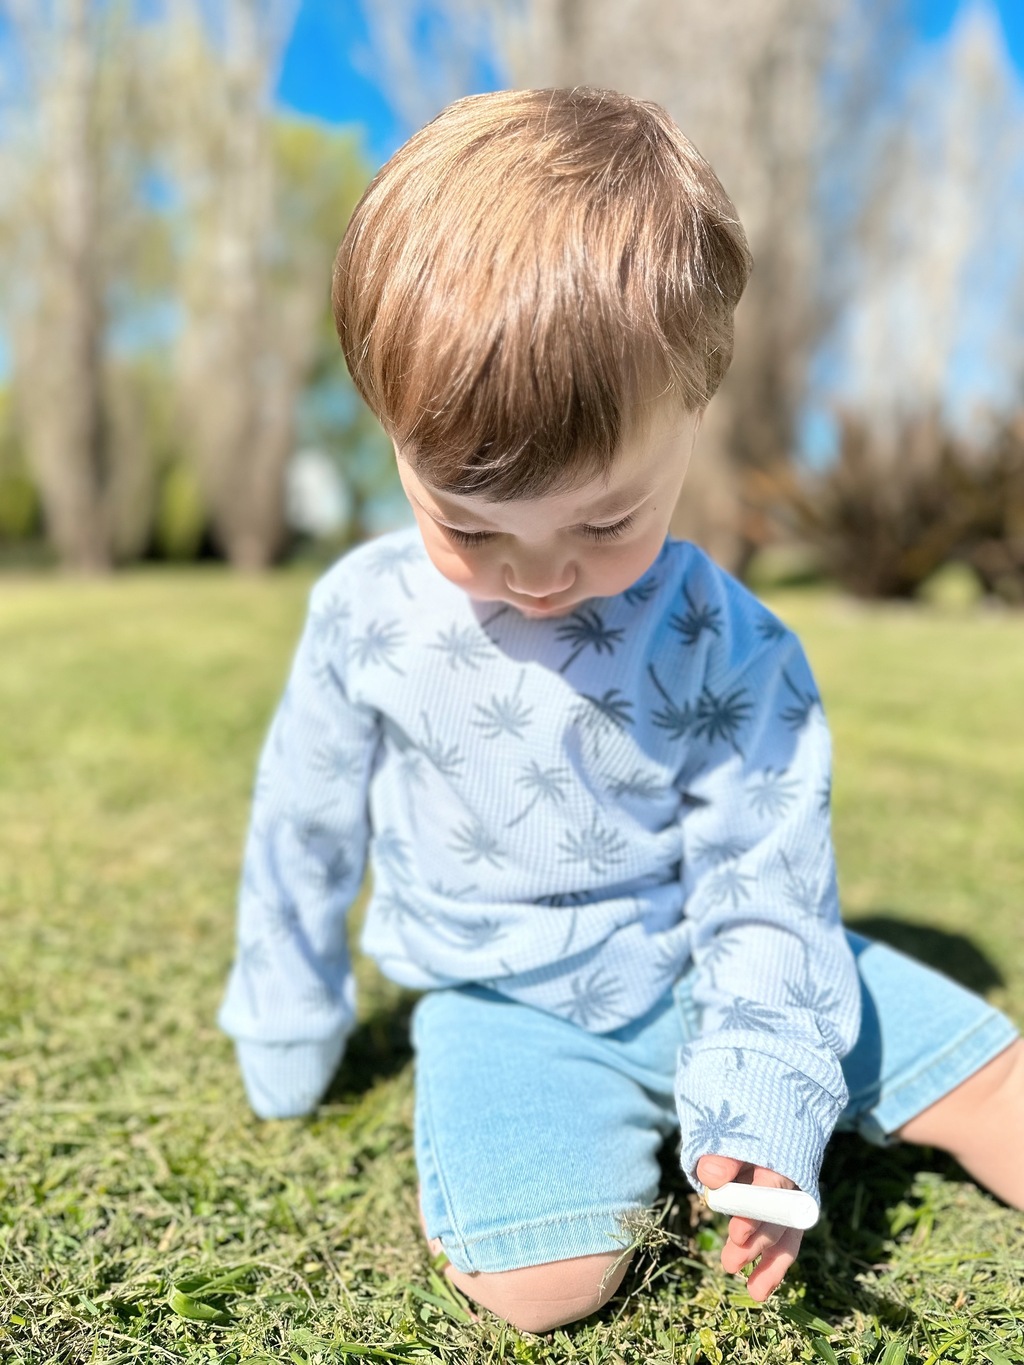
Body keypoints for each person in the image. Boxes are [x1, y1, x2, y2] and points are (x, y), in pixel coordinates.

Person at [218, 87, 1023, 1334]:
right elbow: (302, 826)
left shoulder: (730, 645)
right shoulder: (364, 619)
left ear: (694, 409)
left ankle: (740, 1114)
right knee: (539, 1290)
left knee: (997, 1093)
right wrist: (287, 1024)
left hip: (713, 953)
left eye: (606, 522)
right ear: (387, 433)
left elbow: (766, 886)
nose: (538, 577)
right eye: (467, 527)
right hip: (505, 999)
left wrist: (761, 1101)